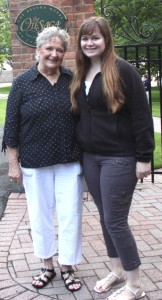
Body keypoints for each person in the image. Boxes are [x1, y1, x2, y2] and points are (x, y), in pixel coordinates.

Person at [70, 16, 154, 300]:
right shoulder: (82, 72)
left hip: (119, 158)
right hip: (91, 157)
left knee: (116, 220)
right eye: (85, 38)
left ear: (106, 40)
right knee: (106, 219)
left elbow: (142, 116)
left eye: (95, 37)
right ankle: (116, 270)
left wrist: (144, 157)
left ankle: (135, 286)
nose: (89, 43)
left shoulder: (123, 70)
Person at [2, 26, 83, 292]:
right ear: (38, 51)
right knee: (40, 215)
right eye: (49, 48)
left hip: (69, 160)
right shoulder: (23, 83)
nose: (54, 54)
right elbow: (11, 125)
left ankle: (68, 266)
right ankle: (47, 265)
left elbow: (85, 119)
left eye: (60, 50)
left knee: (71, 214)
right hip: (35, 161)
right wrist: (13, 164)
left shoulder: (71, 79)